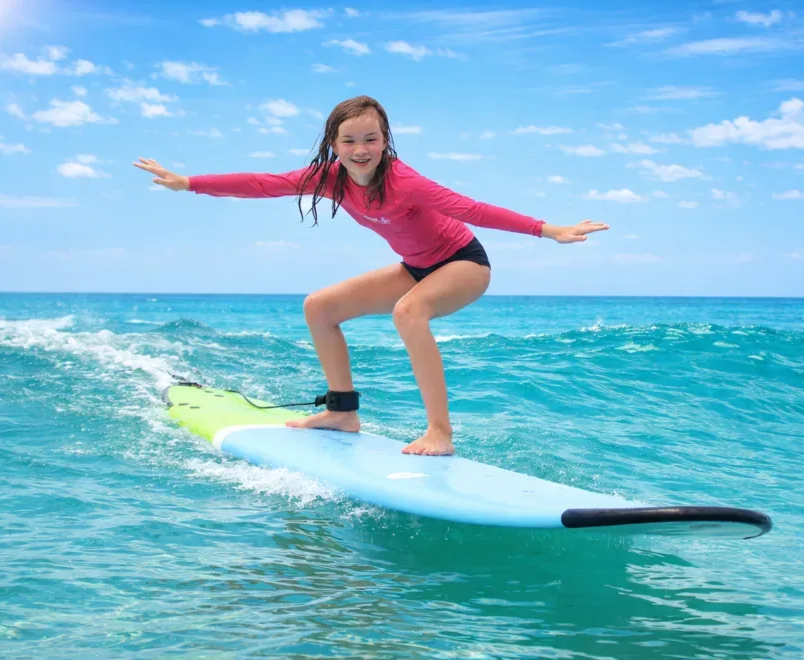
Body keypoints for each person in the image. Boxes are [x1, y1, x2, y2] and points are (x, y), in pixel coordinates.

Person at [134, 95, 608, 456]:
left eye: (371, 140)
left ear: (385, 141)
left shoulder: (406, 182)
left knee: (409, 312)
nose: (361, 150)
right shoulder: (328, 178)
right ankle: (342, 414)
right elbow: (264, 184)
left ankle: (440, 433)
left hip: (464, 262)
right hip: (416, 267)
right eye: (349, 141)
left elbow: (473, 210)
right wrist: (190, 183)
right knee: (319, 307)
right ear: (333, 145)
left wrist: (549, 230)